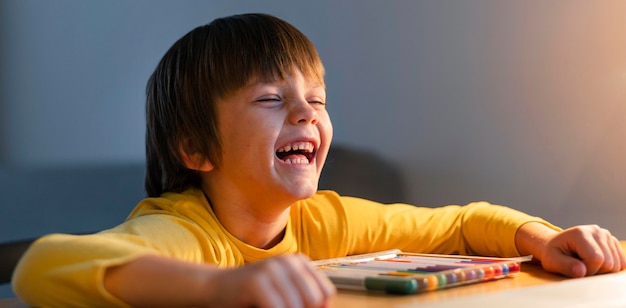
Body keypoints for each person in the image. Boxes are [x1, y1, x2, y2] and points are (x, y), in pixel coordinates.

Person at [12, 13, 625, 308]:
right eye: (271, 100)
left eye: (318, 100)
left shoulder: (326, 223)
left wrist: (544, 238)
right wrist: (220, 286)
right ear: (195, 149)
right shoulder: (182, 231)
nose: (307, 114)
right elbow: (45, 264)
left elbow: (460, 221)